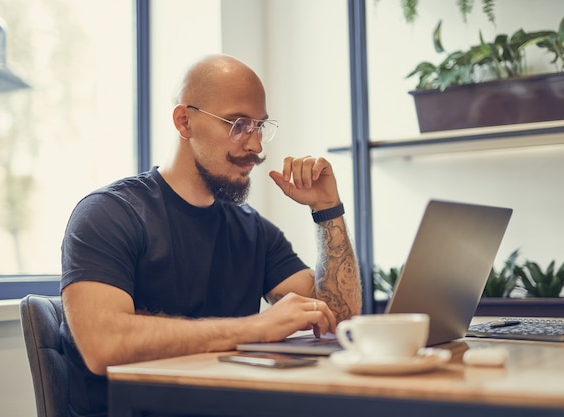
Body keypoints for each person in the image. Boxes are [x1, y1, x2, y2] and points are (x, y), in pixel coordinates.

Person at [60, 54, 362, 417]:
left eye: (259, 126)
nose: (256, 146)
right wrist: (255, 328)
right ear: (184, 121)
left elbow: (337, 319)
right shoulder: (109, 214)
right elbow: (103, 346)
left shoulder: (253, 231)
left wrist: (327, 210)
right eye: (237, 124)